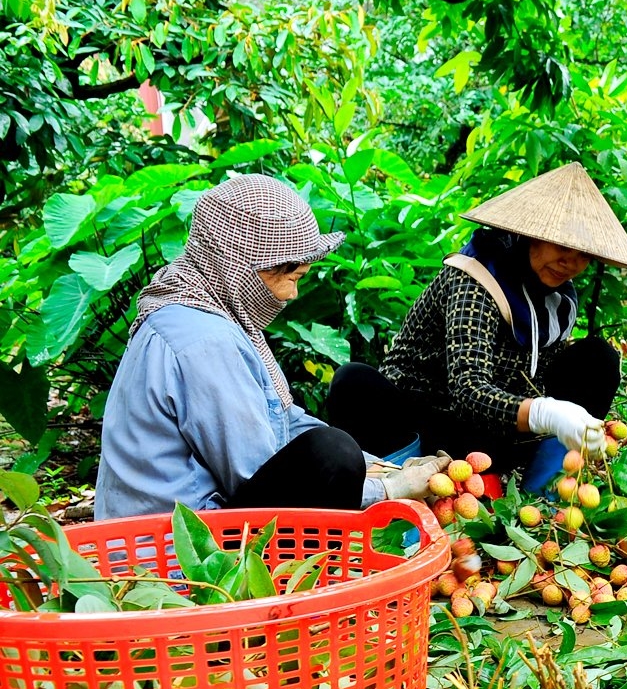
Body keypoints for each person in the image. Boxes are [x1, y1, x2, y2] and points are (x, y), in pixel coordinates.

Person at [95, 175, 445, 521]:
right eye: (290, 278)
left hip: (177, 523)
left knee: (336, 446)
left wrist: (384, 469)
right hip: (178, 553)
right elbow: (258, 470)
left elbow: (281, 421)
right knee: (332, 455)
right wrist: (390, 491)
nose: (292, 295)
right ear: (242, 267)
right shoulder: (205, 340)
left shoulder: (201, 308)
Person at [329, 162, 627, 479]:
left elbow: (537, 375)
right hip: (427, 423)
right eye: (562, 247)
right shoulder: (477, 278)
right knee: (353, 381)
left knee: (596, 359)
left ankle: (544, 493)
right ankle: (402, 483)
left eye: (583, 255)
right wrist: (549, 413)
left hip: (492, 435)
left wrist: (570, 418)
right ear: (532, 235)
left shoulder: (556, 296)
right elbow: (469, 393)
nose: (570, 264)